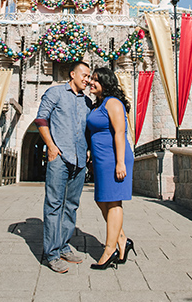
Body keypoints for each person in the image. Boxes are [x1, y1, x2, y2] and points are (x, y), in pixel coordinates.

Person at [35, 60, 93, 273]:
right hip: (59, 157)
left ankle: (63, 246)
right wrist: (50, 146)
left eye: (89, 76)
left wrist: (87, 151)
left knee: (71, 205)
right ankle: (51, 253)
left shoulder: (87, 102)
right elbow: (41, 119)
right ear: (73, 75)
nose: (87, 80)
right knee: (54, 205)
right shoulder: (56, 93)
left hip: (79, 161)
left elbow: (87, 131)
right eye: (84, 75)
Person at [86, 66, 135, 269]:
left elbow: (119, 133)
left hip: (114, 158)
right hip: (101, 159)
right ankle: (122, 239)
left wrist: (120, 162)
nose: (91, 83)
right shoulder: (98, 105)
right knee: (101, 200)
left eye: (95, 80)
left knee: (114, 203)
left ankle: (109, 249)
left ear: (106, 83)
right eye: (91, 79)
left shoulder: (113, 103)